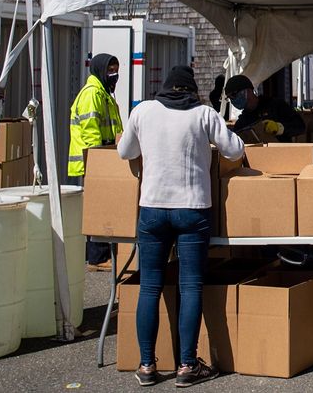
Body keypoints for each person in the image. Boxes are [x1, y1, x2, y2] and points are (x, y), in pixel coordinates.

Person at [118, 65, 245, 388]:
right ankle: (187, 365)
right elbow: (234, 150)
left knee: (150, 287)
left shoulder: (143, 111)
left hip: (153, 209)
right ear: (191, 91)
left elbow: (125, 151)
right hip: (193, 209)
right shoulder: (203, 114)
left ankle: (147, 365)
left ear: (164, 87)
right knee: (190, 287)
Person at [69, 53, 124, 265]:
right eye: (110, 70)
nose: (114, 74)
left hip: (104, 159)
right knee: (99, 208)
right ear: (100, 70)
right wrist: (100, 159)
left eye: (116, 70)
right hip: (93, 160)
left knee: (106, 207)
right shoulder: (93, 94)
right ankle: (97, 257)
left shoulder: (105, 94)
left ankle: (103, 254)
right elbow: (90, 130)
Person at [224, 75, 305, 142]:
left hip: (283, 155)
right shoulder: (242, 123)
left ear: (248, 90)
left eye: (234, 95)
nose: (232, 100)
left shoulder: (275, 105)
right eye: (229, 98)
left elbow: (300, 126)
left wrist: (279, 127)